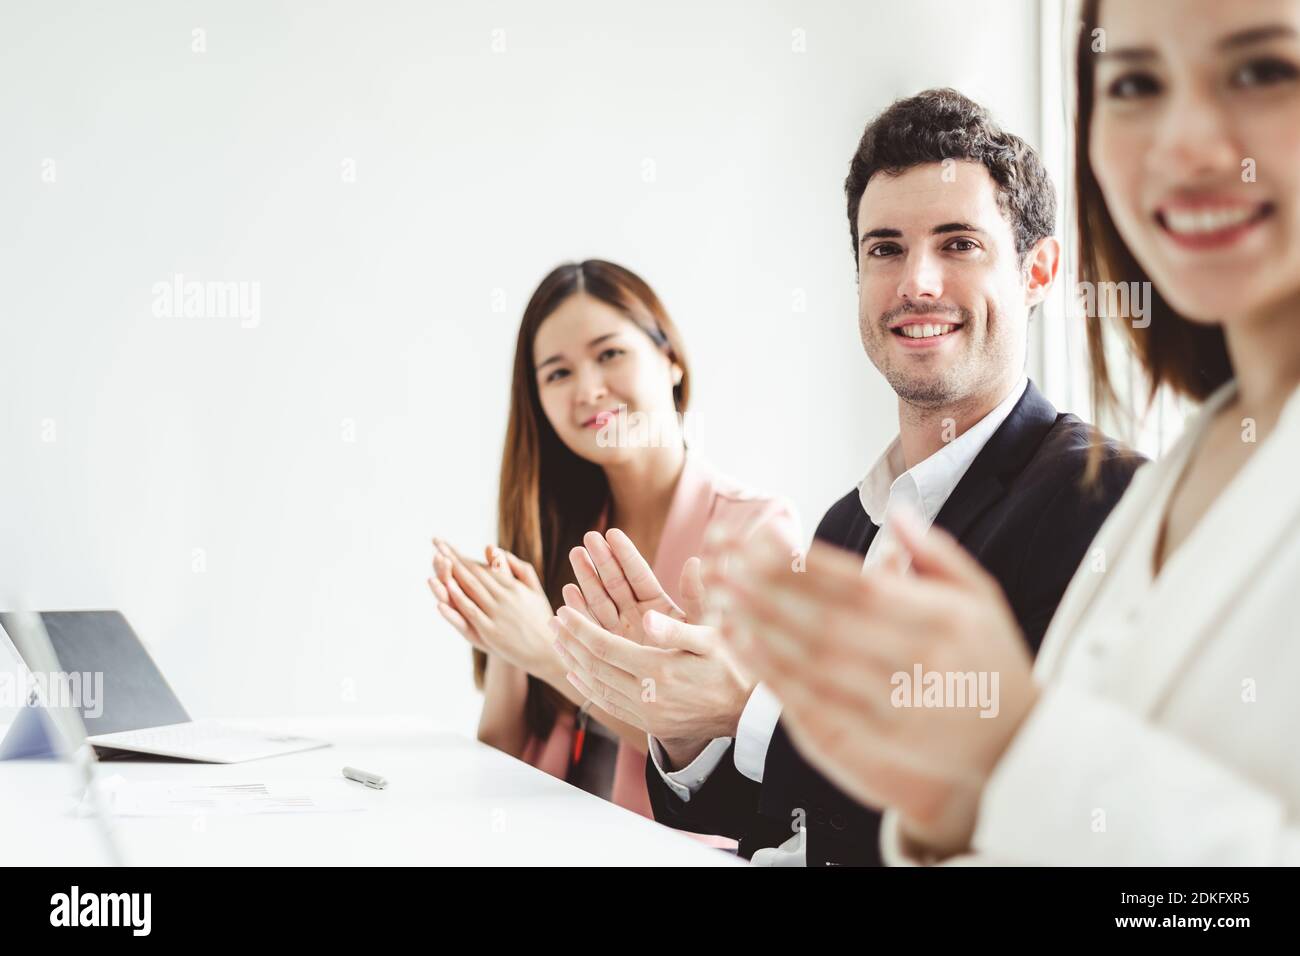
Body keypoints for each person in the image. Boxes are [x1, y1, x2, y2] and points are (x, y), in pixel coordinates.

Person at [714, 0, 1300, 865]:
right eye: (1135, 82)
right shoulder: (1197, 461)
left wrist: (1005, 753)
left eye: (1261, 70)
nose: (1188, 143)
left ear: (1039, 271)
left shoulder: (1100, 491)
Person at [553, 90, 1143, 865]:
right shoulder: (845, 526)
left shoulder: (1100, 500)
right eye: (885, 248)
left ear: (1040, 271)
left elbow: (1026, 823)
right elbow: (780, 820)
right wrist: (692, 721)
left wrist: (751, 711)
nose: (916, 283)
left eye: (959, 243)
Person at [427, 259, 797, 821]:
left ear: (670, 359)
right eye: (557, 373)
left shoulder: (755, 531)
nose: (589, 390)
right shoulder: (556, 528)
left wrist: (547, 652)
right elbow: (500, 754)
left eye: (609, 354)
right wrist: (505, 637)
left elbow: (728, 745)